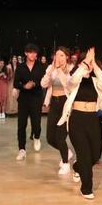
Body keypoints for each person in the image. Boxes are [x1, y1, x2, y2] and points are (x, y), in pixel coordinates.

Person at [57, 48, 102, 200]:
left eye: (91, 63)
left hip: (92, 119)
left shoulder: (95, 81)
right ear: (80, 64)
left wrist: (94, 64)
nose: (88, 65)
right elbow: (74, 79)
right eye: (85, 62)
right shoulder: (74, 80)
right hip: (77, 120)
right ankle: (86, 188)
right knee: (85, 155)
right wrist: (86, 62)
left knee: (95, 154)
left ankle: (77, 166)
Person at [41, 47, 72, 175]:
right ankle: (67, 152)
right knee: (50, 138)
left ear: (67, 57)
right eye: (57, 55)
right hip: (54, 103)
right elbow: (43, 84)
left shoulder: (70, 69)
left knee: (60, 137)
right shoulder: (51, 68)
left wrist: (59, 70)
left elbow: (67, 84)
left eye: (62, 55)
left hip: (65, 103)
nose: (59, 58)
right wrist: (50, 71)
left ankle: (65, 163)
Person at [14, 44, 46, 161]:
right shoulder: (20, 67)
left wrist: (34, 84)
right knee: (21, 125)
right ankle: (22, 149)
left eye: (35, 52)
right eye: (30, 52)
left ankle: (36, 137)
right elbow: (15, 83)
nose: (33, 55)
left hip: (36, 98)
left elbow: (44, 82)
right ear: (26, 53)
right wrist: (24, 86)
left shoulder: (41, 66)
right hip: (23, 99)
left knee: (36, 124)